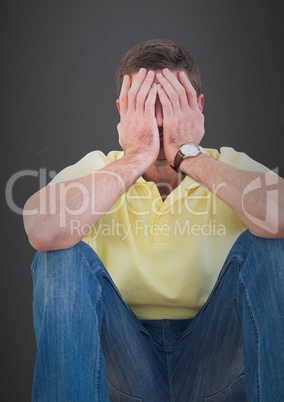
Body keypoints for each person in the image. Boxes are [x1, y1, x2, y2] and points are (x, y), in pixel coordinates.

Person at [23, 39, 284, 401]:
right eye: (147, 108)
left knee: (272, 248)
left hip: (216, 365)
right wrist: (137, 156)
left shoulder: (228, 166)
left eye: (174, 107)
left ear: (198, 108)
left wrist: (189, 156)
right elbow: (42, 230)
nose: (160, 124)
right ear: (122, 113)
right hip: (125, 368)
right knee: (58, 259)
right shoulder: (101, 169)